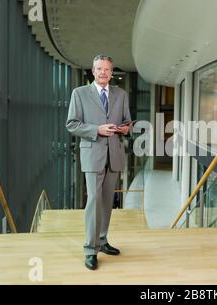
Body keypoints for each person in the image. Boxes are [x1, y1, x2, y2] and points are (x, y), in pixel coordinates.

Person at [66, 55, 132, 270]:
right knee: (94, 201)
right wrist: (96, 130)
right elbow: (72, 124)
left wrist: (125, 128)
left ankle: (102, 241)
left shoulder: (121, 94)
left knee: (106, 201)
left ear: (112, 72)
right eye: (99, 69)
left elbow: (127, 122)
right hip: (92, 154)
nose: (103, 73)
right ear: (93, 71)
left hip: (114, 154)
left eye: (107, 69)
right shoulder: (80, 93)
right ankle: (90, 249)